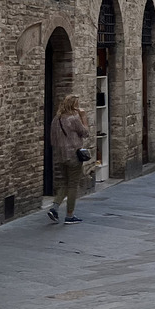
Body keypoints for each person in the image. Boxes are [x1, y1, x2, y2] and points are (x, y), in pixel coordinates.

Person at [46, 94, 89, 224]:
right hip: (74, 156)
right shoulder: (74, 118)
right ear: (74, 105)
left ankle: (54, 208)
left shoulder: (56, 119)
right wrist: (83, 117)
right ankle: (69, 215)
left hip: (60, 156)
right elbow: (85, 132)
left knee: (65, 183)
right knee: (73, 185)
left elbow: (53, 140)